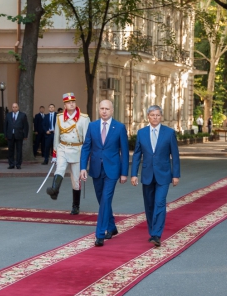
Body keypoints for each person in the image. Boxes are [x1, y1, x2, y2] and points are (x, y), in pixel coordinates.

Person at [80, 100, 129, 247]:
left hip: (112, 170)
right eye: (102, 108)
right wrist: (83, 167)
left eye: (107, 108)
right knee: (102, 200)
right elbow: (86, 148)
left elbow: (124, 152)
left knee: (106, 200)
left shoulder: (119, 127)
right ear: (98, 110)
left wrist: (124, 172)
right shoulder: (92, 126)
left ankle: (100, 234)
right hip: (96, 168)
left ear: (112, 110)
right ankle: (112, 227)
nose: (104, 111)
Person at [131, 105, 181, 247]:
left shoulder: (169, 133)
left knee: (160, 203)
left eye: (158, 115)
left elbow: (175, 155)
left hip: (164, 175)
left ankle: (156, 234)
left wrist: (175, 174)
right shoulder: (141, 133)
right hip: (147, 175)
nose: (155, 118)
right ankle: (152, 231)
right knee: (149, 205)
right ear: (148, 116)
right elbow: (136, 155)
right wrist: (134, 174)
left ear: (161, 117)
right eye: (152, 115)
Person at [47, 94, 89, 215]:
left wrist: (86, 156)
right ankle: (54, 190)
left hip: (77, 149)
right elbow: (57, 136)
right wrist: (54, 154)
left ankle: (76, 206)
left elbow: (87, 139)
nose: (72, 104)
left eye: (73, 101)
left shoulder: (84, 118)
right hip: (63, 148)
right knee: (59, 169)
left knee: (75, 180)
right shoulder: (60, 117)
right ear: (64, 105)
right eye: (69, 102)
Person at [4, 103, 29, 169]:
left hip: (19, 135)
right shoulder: (8, 115)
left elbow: (26, 126)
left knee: (19, 150)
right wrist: (5, 135)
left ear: (18, 107)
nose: (14, 108)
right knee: (10, 150)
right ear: (12, 108)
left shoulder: (23, 115)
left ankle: (18, 164)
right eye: (13, 107)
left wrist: (25, 135)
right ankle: (11, 164)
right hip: (10, 135)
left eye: (16, 107)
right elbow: (5, 125)